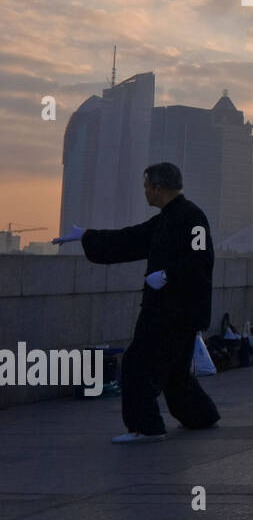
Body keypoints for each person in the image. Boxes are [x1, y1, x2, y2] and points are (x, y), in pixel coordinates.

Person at [53, 162, 220, 443]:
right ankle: (201, 416)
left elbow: (201, 259)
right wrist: (86, 235)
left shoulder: (192, 217)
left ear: (157, 188)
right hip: (174, 310)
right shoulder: (166, 219)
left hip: (173, 311)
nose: (144, 192)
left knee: (137, 364)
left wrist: (168, 275)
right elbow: (130, 239)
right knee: (174, 370)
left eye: (146, 186)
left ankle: (145, 427)